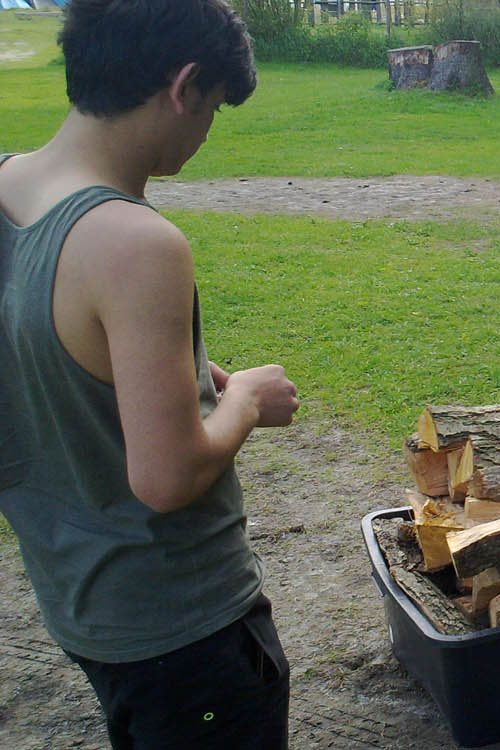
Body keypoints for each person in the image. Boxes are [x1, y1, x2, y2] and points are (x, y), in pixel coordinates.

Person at [0, 0, 300, 747]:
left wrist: (166, 375)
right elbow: (166, 479)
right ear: (184, 85)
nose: (205, 134)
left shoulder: (9, 186)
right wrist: (248, 403)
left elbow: (38, 348)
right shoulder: (134, 242)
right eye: (214, 111)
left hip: (77, 600)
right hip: (181, 624)